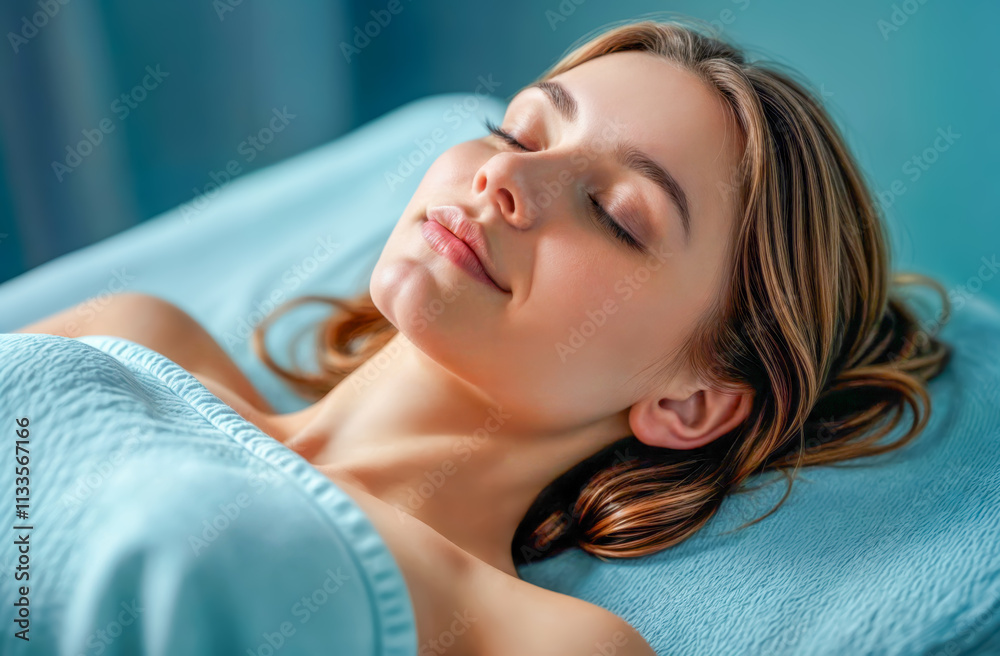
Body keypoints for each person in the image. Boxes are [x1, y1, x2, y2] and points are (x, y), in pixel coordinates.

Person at [17, 16, 951, 655]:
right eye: (521, 133)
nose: (504, 179)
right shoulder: (134, 334)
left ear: (690, 402)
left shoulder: (539, 640)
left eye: (616, 215)